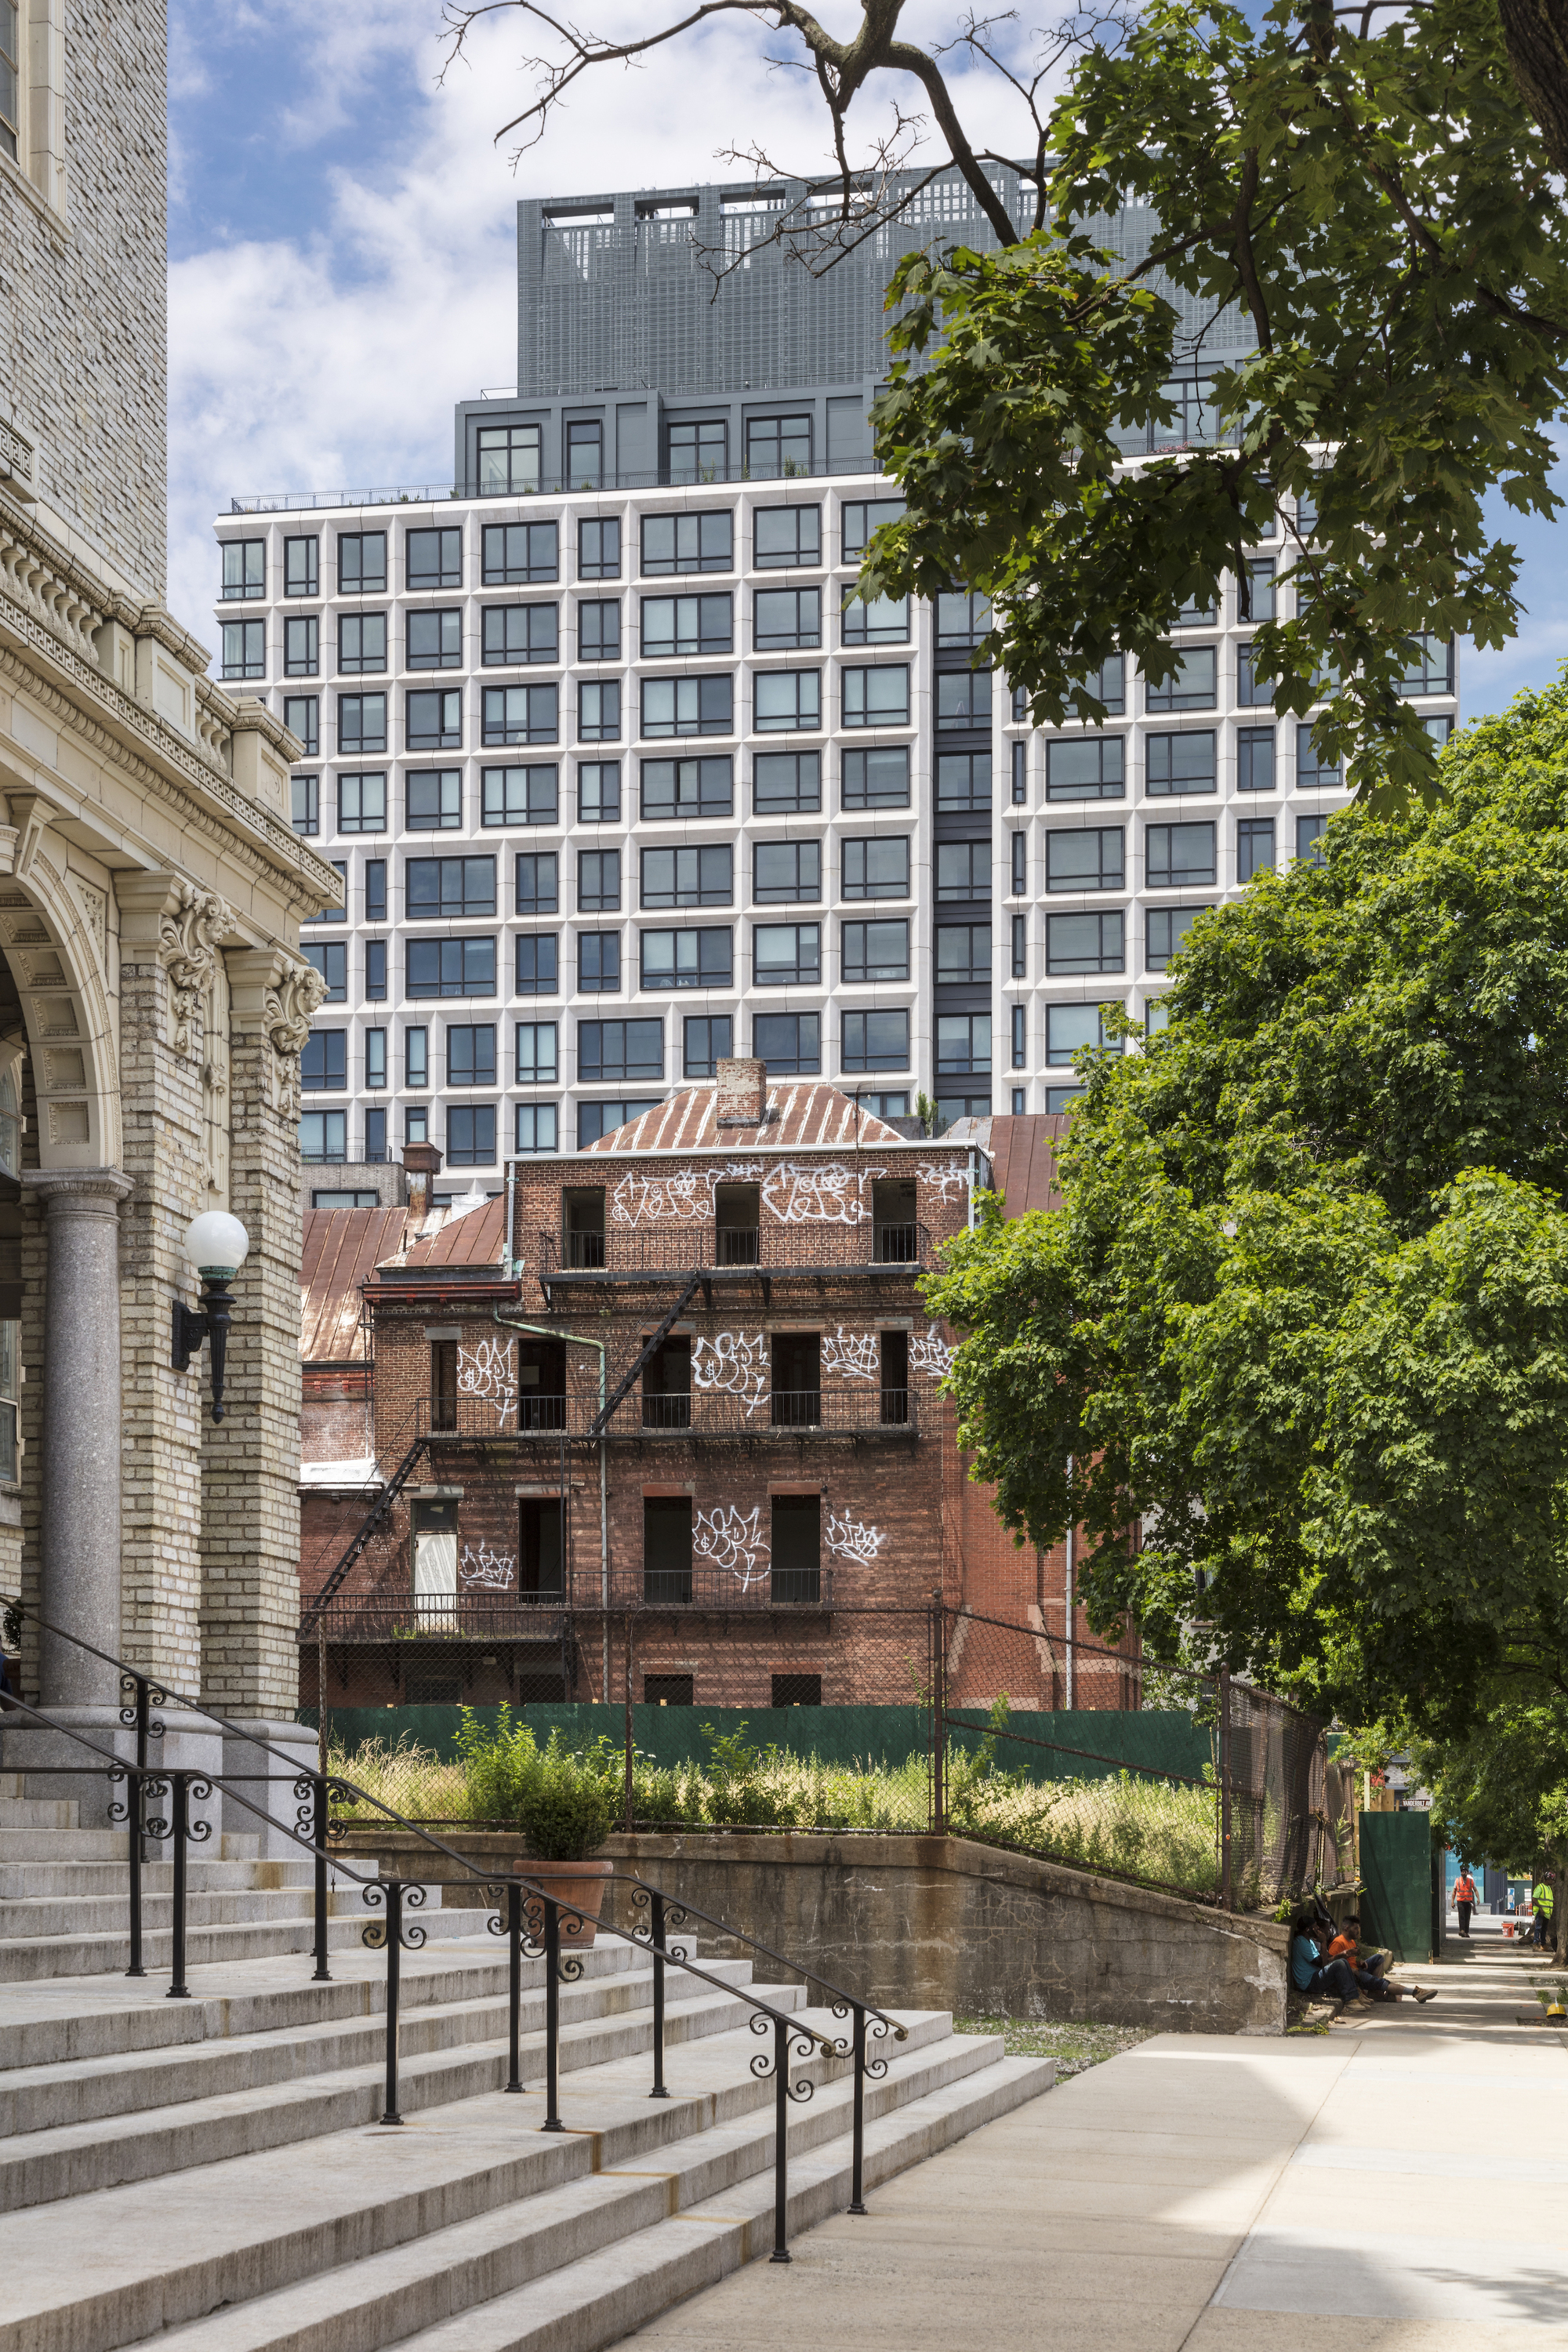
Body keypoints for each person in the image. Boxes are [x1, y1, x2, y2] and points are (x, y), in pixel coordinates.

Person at [1290, 1911, 1367, 2008]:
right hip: (1308, 1983)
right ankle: (1351, 1999)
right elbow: (1323, 1964)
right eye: (1315, 1927)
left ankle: (1356, 1995)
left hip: (1314, 1976)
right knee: (1340, 1964)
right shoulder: (1301, 1943)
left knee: (1343, 1961)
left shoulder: (1308, 1940)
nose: (1318, 1928)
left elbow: (1326, 1959)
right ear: (1308, 1929)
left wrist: (1343, 1954)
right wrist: (1323, 1941)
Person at [1454, 1865, 1479, 1939]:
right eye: (1462, 1872)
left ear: (1467, 1873)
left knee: (1467, 1917)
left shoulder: (1471, 1881)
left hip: (1468, 1901)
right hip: (1460, 1901)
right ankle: (1462, 1930)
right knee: (1462, 1916)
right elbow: (1454, 1891)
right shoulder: (1457, 1881)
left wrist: (1478, 1898)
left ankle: (1466, 1932)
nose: (1463, 1873)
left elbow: (1475, 1889)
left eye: (1465, 1872)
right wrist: (1452, 1901)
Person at [1534, 1877, 1555, 1948]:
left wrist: (1553, 1903)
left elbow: (1548, 1900)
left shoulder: (1549, 1889)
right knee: (1538, 1928)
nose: (1553, 1882)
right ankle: (1535, 1943)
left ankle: (1543, 1944)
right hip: (1541, 1912)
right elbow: (1534, 1898)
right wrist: (1540, 1908)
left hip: (1547, 1913)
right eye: (1552, 1880)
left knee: (1544, 1929)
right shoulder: (1540, 1887)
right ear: (1548, 1880)